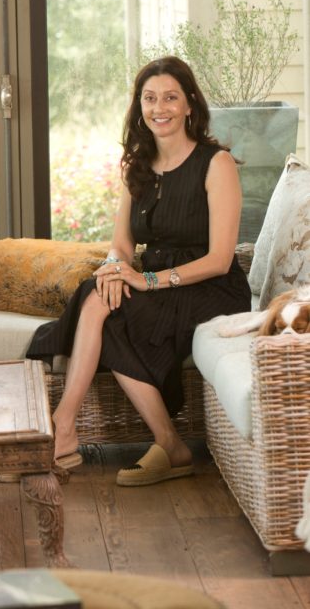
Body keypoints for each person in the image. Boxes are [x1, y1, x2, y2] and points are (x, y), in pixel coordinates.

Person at [27, 55, 251, 482]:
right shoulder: (137, 165)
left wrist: (146, 280)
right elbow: (121, 245)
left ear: (189, 105)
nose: (159, 108)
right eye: (150, 99)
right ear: (139, 106)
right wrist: (114, 270)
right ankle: (161, 442)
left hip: (209, 286)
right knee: (97, 293)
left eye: (170, 97)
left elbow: (221, 259)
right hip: (157, 282)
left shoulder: (215, 164)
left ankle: (64, 429)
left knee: (101, 311)